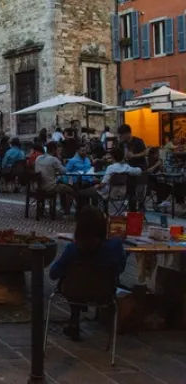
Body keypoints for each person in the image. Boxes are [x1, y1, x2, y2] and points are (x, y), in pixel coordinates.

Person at [49, 206, 127, 340]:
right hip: (104, 293)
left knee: (76, 282)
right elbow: (120, 268)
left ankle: (74, 318)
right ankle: (75, 319)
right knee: (85, 282)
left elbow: (53, 273)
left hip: (74, 291)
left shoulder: (72, 249)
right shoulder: (115, 247)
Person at [78, 147, 142, 207]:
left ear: (113, 157)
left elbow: (103, 184)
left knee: (82, 193)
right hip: (122, 193)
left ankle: (91, 211)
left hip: (109, 193)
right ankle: (102, 212)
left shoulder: (111, 168)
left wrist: (97, 186)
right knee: (94, 190)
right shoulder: (126, 167)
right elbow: (139, 171)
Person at [35, 142, 75, 214]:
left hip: (38, 186)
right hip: (50, 187)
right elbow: (63, 171)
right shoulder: (54, 160)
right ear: (54, 150)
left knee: (61, 185)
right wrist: (59, 159)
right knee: (71, 190)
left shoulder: (38, 158)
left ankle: (42, 207)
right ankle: (66, 210)